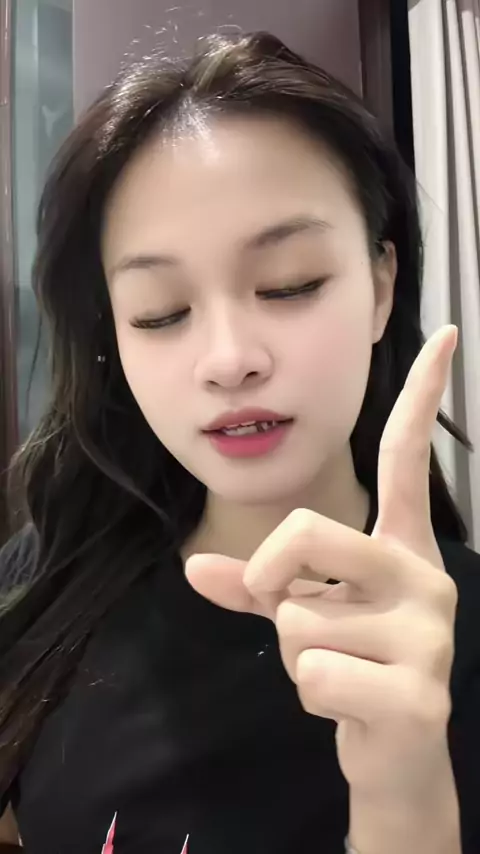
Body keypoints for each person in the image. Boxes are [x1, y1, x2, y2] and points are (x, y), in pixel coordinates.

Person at [0, 30, 479, 854]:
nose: (228, 361)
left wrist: (405, 797)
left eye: (290, 284)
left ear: (381, 285)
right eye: (161, 313)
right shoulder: (42, 581)